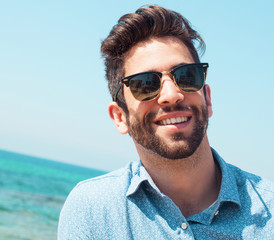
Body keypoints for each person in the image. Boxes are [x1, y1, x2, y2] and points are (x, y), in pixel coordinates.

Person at [58, 5, 274, 239]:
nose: (172, 94)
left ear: (207, 99)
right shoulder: (93, 211)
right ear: (120, 117)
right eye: (145, 84)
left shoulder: (269, 211)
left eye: (186, 76)